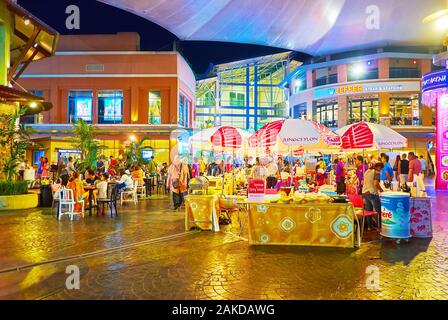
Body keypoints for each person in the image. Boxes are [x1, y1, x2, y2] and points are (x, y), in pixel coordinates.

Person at [362, 161, 384, 230]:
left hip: (365, 192)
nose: (381, 170)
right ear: (379, 167)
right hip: (372, 193)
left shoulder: (367, 171)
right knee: (378, 210)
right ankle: (379, 227)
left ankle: (369, 227)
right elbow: (376, 183)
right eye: (381, 169)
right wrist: (381, 190)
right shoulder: (377, 172)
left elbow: (362, 182)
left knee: (368, 211)